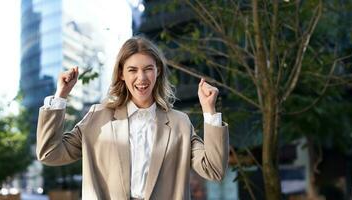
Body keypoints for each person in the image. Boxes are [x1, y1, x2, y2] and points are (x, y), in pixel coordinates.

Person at [36, 36, 229, 200]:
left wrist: (209, 111)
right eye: (132, 70)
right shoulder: (98, 117)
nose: (141, 77)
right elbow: (49, 153)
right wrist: (60, 96)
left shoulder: (180, 123)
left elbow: (214, 169)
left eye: (148, 69)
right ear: (121, 73)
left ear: (158, 71)